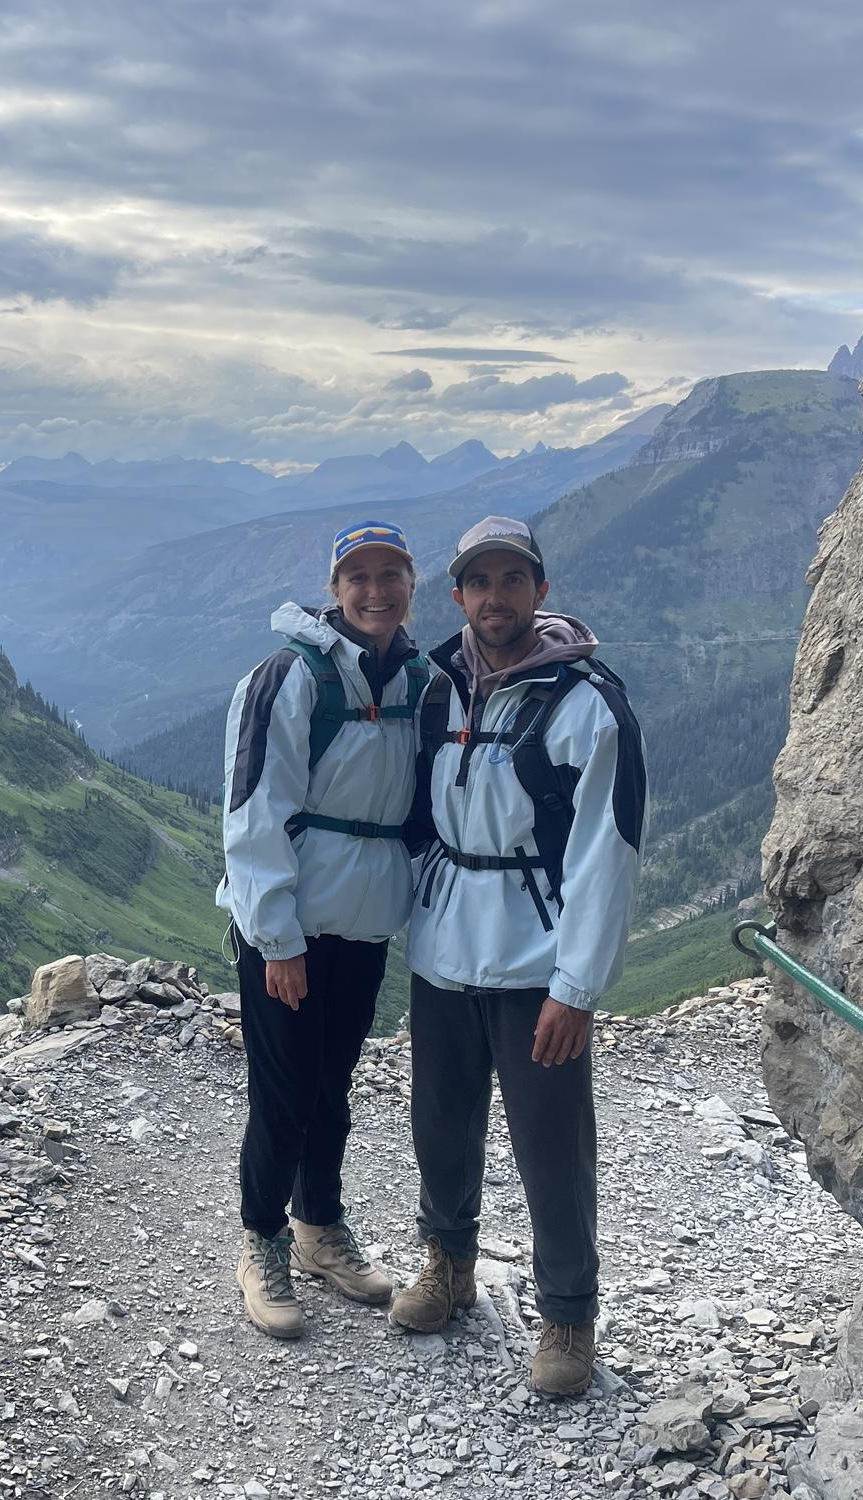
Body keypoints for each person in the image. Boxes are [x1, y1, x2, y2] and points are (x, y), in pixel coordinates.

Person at [391, 515, 647, 1396]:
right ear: (457, 595)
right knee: (440, 1122)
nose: (494, 597)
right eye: (479, 581)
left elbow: (607, 855)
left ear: (540, 591)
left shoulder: (586, 705)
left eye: (511, 580)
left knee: (552, 1142)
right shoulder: (440, 691)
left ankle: (568, 1314)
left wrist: (576, 986)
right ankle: (448, 1264)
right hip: (443, 946)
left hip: (537, 960)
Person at [218, 521, 427, 1338]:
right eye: (358, 578)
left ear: (412, 585)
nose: (375, 592)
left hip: (363, 923)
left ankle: (318, 1227)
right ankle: (261, 1240)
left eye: (390, 575)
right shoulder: (290, 676)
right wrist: (277, 938)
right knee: (283, 1093)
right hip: (294, 926)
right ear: (334, 590)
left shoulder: (415, 677)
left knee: (331, 1086)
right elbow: (254, 812)